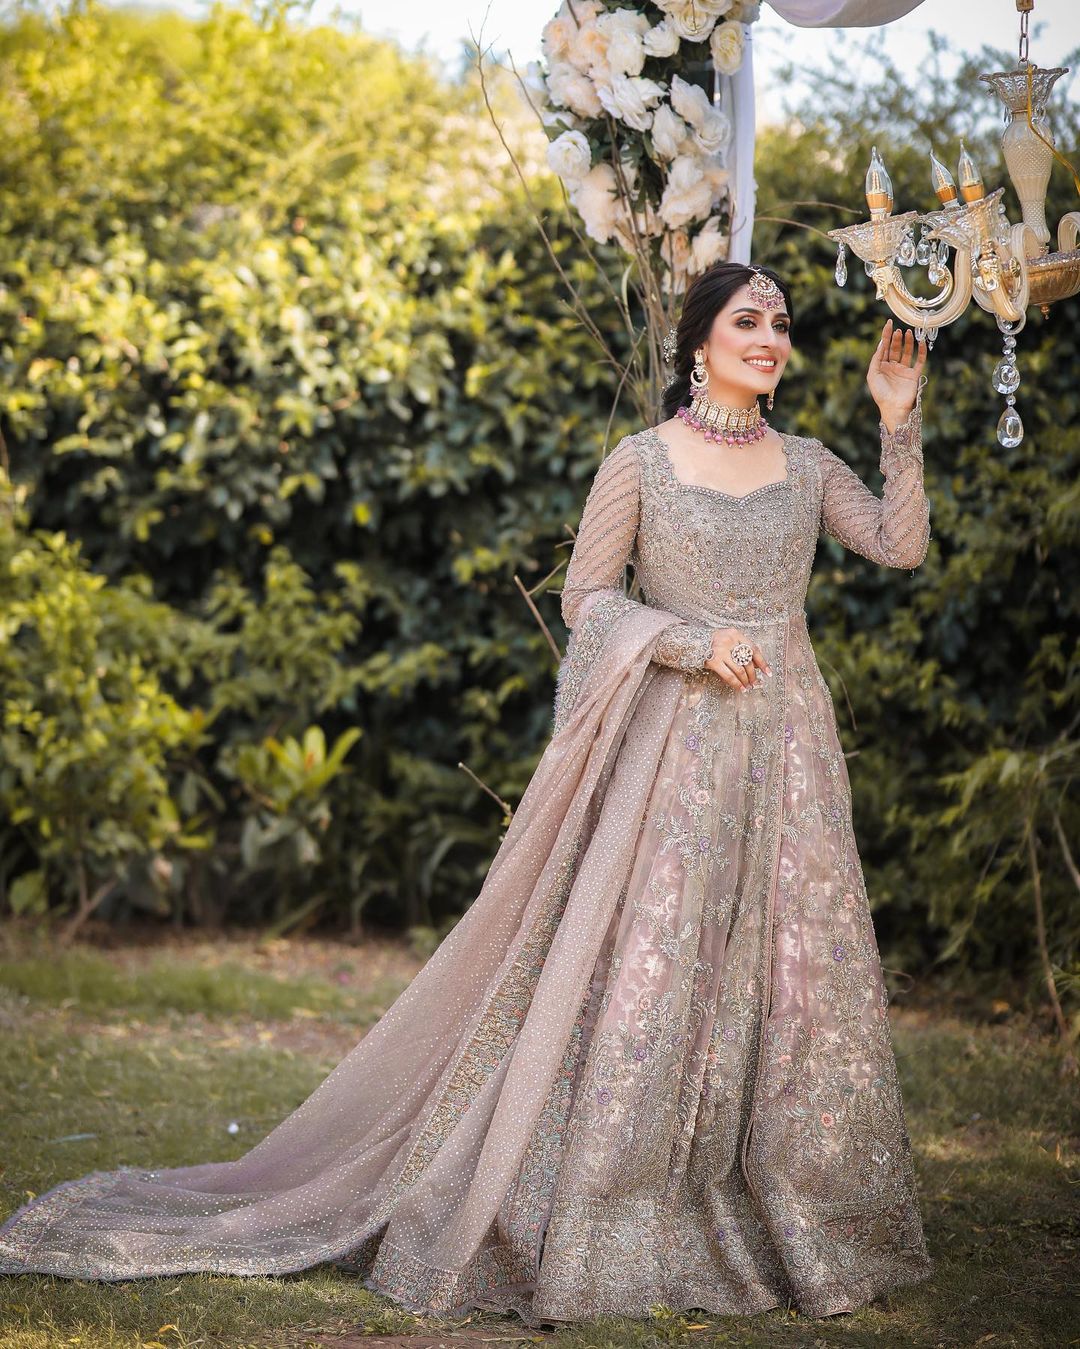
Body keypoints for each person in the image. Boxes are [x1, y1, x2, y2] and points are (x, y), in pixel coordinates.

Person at [0, 261, 933, 1324]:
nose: (770, 337)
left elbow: (901, 545)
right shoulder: (641, 462)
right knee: (647, 965)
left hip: (788, 752)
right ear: (698, 339)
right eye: (746, 319)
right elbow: (588, 598)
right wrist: (682, 641)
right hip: (671, 752)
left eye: (781, 323)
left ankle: (753, 1187)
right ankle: (609, 1199)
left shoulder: (807, 463)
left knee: (777, 967)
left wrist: (896, 423)